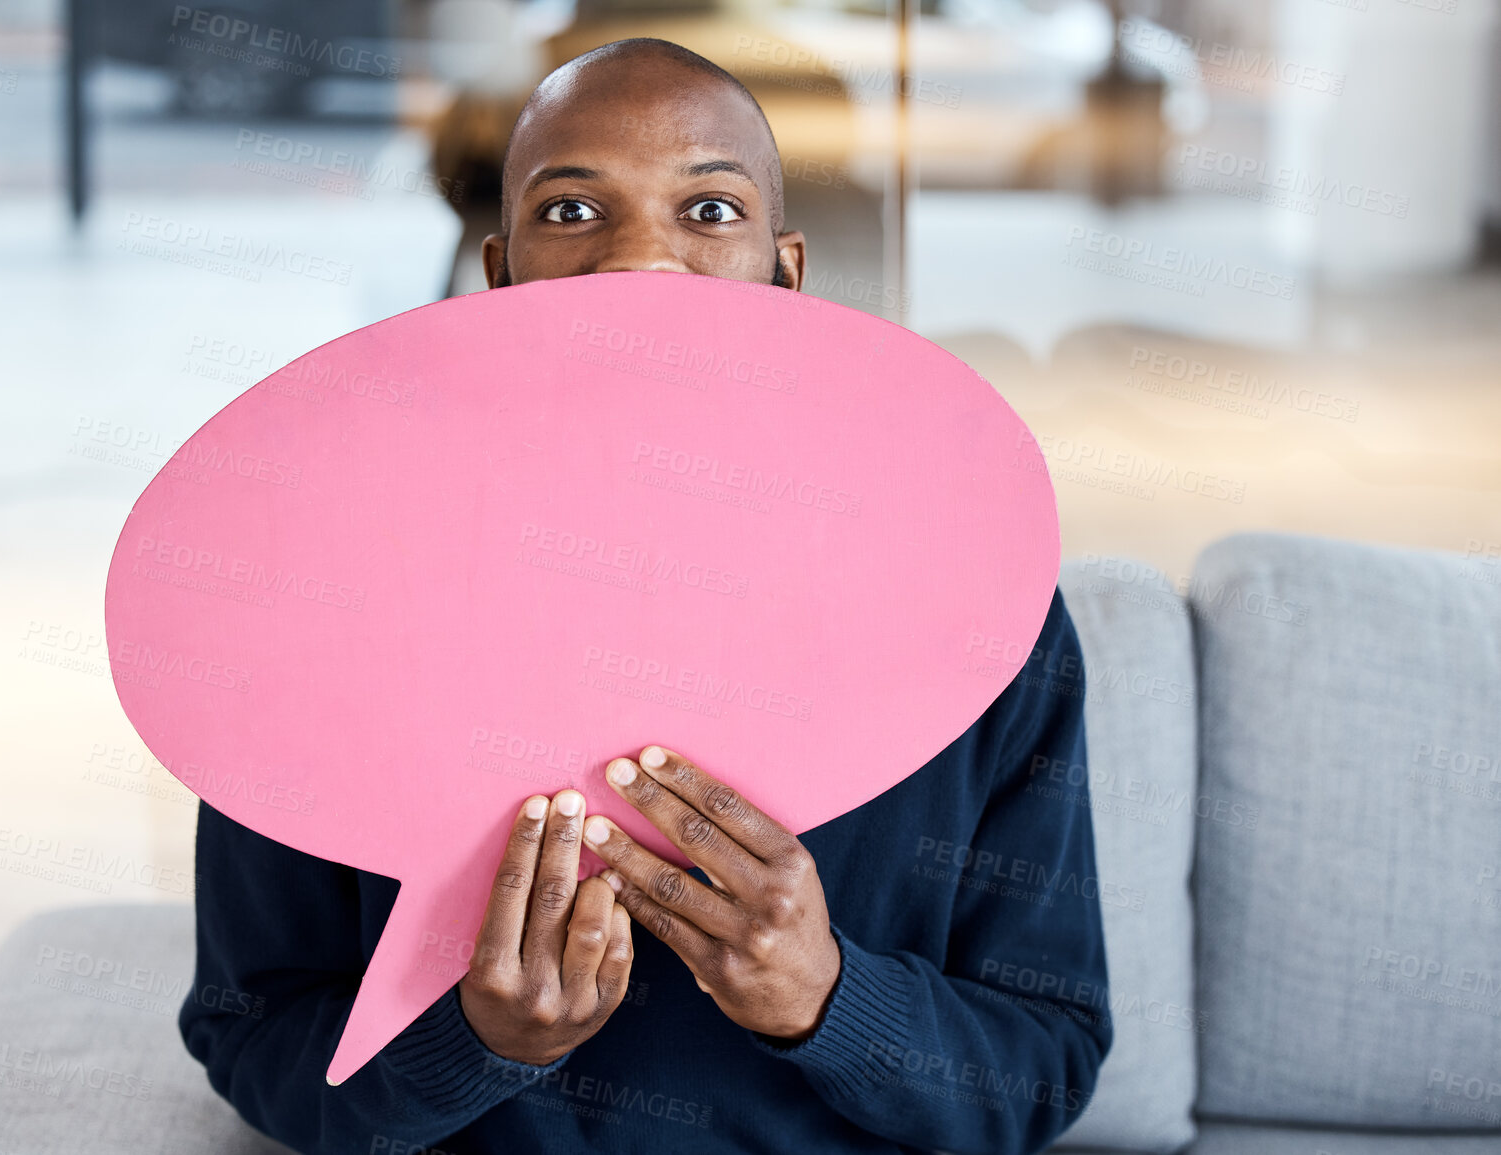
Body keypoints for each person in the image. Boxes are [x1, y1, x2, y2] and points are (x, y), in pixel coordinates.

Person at [181, 38, 1111, 1155]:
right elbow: (252, 1035)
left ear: (787, 276)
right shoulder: (327, 597)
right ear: (499, 274)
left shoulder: (976, 606)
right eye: (572, 212)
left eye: (710, 212)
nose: (641, 265)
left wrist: (829, 999)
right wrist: (475, 1044)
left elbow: (1045, 1065)